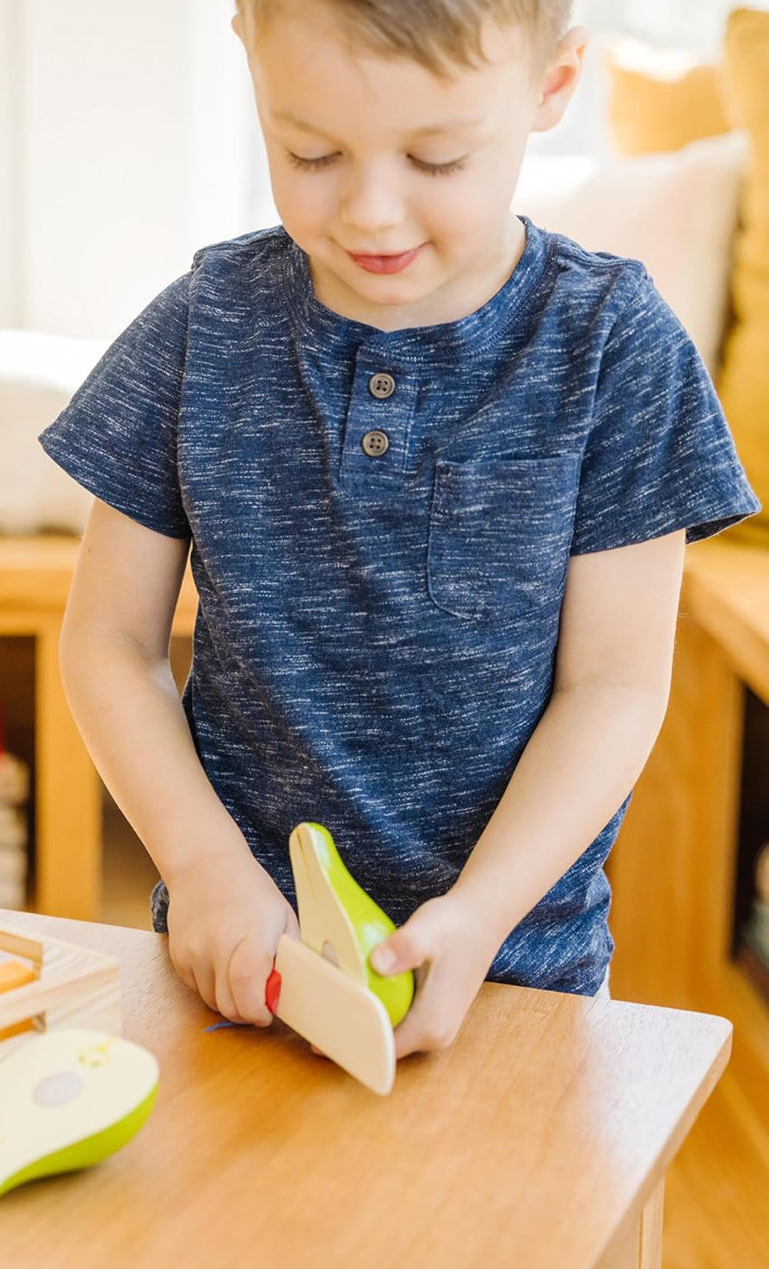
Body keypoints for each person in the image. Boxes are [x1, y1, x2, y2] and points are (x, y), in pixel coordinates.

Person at [38, 0, 760, 1059]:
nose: (372, 213)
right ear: (248, 52)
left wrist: (481, 912)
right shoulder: (203, 326)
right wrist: (201, 869)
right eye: (312, 150)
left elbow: (612, 688)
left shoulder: (614, 348)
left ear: (553, 87)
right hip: (239, 967)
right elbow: (110, 642)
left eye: (438, 159)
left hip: (517, 976)